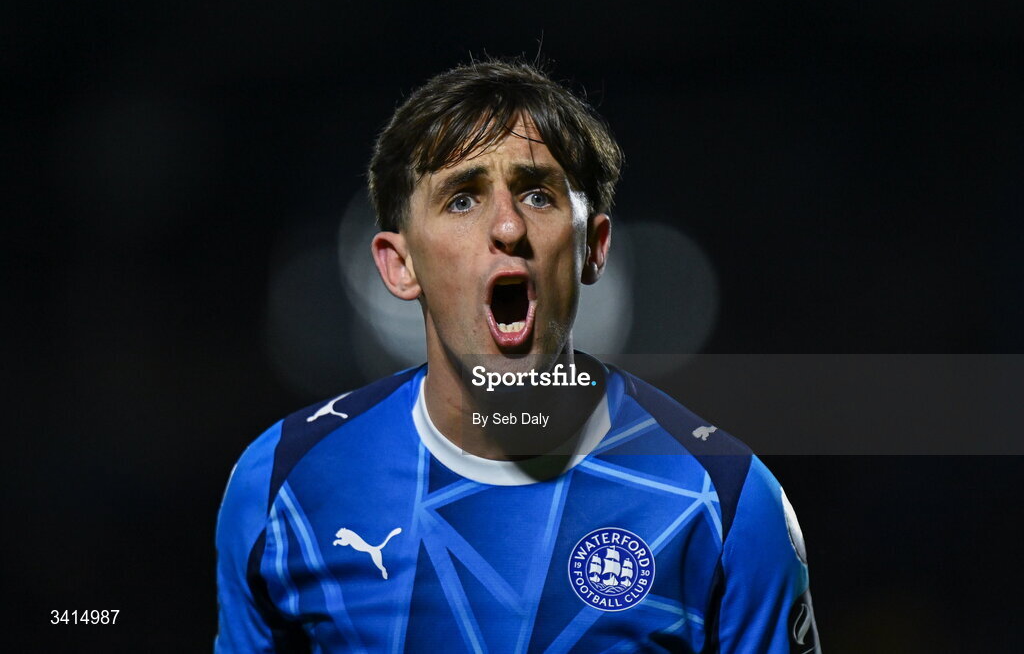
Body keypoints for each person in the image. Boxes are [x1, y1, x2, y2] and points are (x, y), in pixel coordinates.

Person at [215, 59, 820, 653]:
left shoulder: (724, 499)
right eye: (462, 199)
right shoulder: (282, 484)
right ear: (399, 266)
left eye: (537, 194)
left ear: (593, 247)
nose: (507, 226)